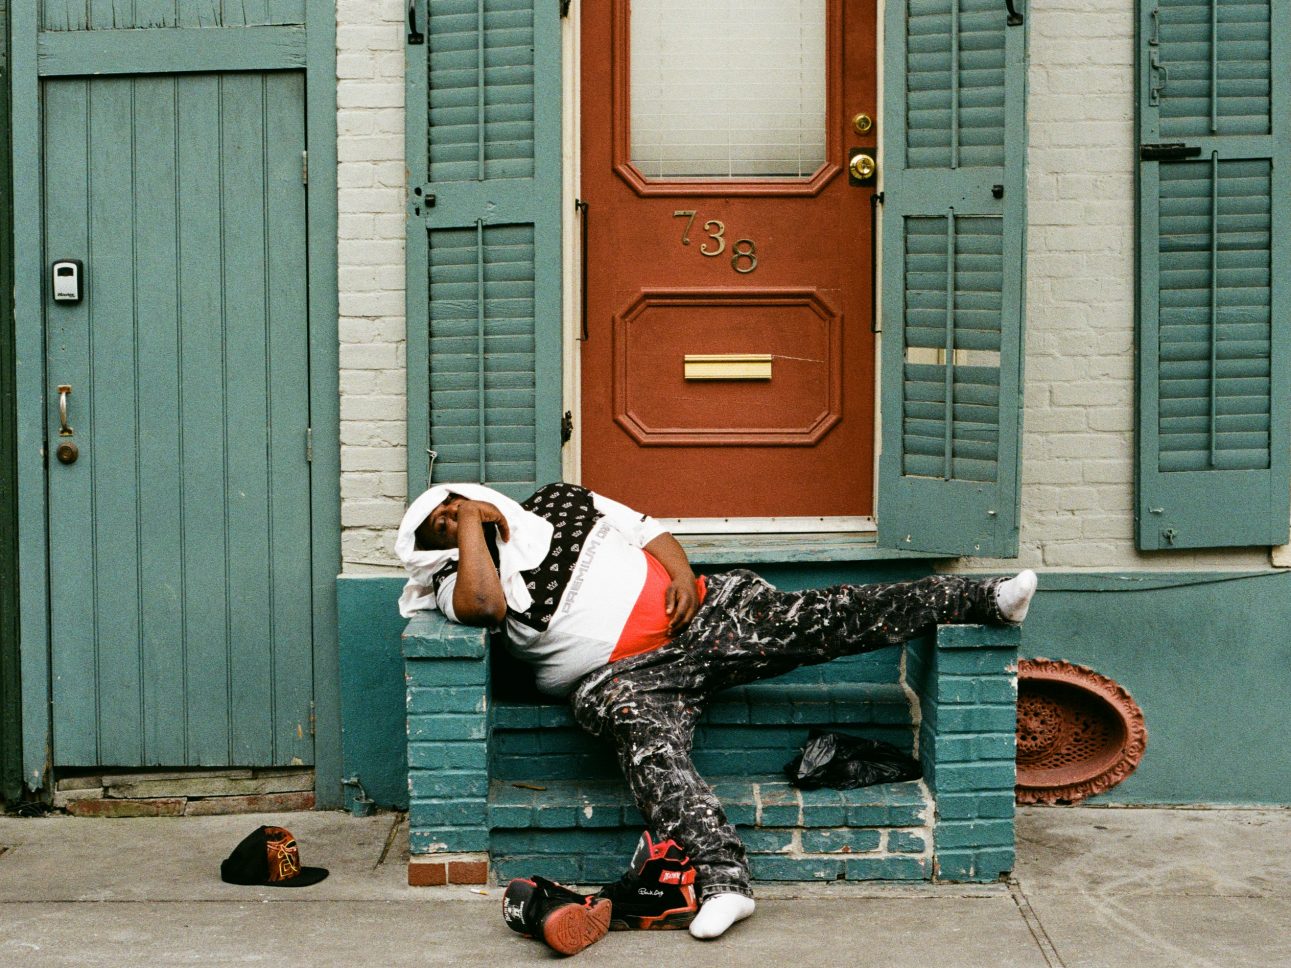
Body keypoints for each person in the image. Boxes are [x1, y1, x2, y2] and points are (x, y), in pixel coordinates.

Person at [398, 482, 1037, 944]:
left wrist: (680, 575)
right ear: (434, 552)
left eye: (451, 505)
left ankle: (984, 598)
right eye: (440, 527)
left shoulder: (559, 500)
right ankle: (724, 883)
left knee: (826, 614)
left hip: (704, 618)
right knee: (651, 751)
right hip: (625, 679)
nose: (452, 517)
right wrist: (474, 526)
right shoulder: (455, 585)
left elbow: (647, 530)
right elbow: (485, 607)